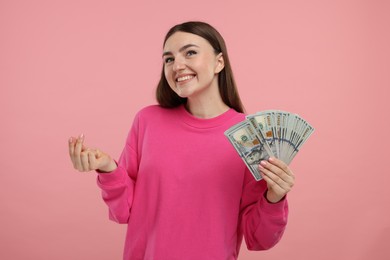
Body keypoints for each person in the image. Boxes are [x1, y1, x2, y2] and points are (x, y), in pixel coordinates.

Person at [68, 21, 295, 260]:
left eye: (190, 53)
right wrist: (108, 169)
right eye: (168, 59)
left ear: (219, 62)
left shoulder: (250, 136)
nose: (177, 66)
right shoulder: (147, 121)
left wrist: (275, 197)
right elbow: (123, 212)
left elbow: (258, 238)